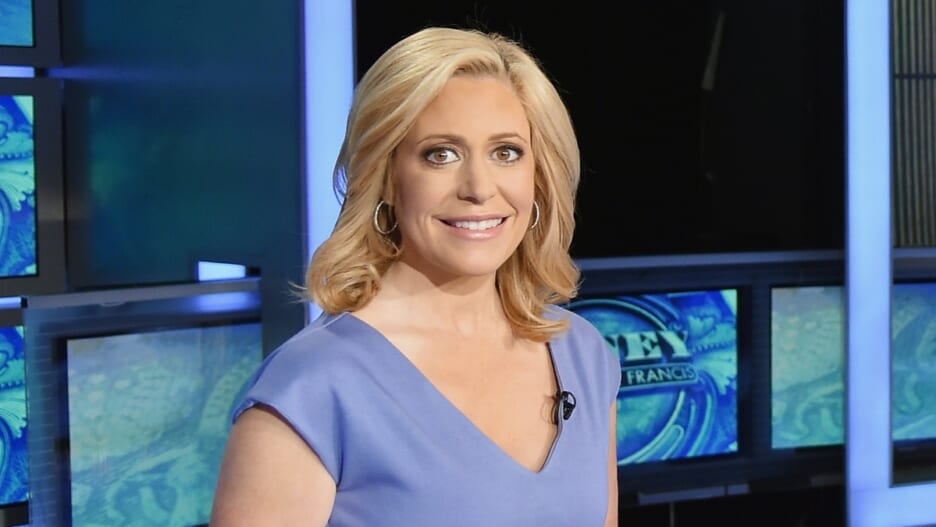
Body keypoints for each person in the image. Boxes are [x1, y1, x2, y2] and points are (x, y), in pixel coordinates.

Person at [210, 26, 621, 527]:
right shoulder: (314, 385)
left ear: (538, 176)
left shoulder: (583, 355)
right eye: (440, 154)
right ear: (385, 177)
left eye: (506, 152)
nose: (478, 188)